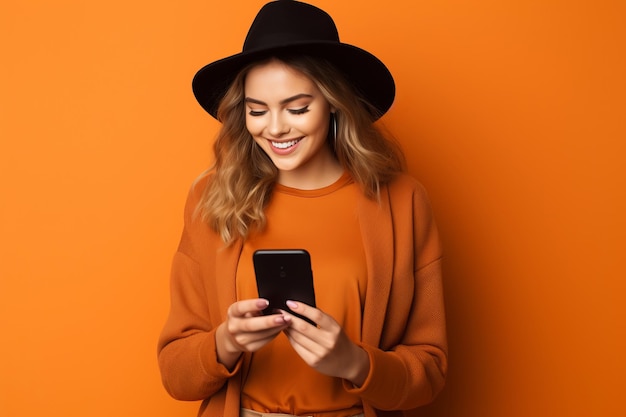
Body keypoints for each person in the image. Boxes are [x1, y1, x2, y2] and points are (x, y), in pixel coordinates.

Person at [157, 1, 447, 417]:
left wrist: (355, 362)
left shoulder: (402, 201)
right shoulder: (212, 199)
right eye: (256, 110)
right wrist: (225, 342)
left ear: (334, 102)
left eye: (297, 108)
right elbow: (174, 372)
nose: (274, 128)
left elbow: (432, 370)